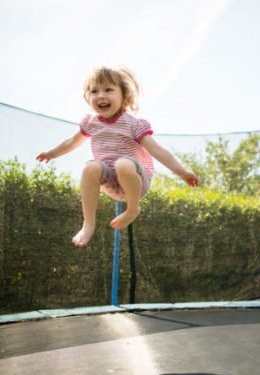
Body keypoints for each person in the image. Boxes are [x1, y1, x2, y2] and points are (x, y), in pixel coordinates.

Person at [37, 66, 198, 247]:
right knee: (90, 167)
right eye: (94, 91)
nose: (101, 95)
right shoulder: (91, 123)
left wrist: (182, 172)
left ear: (124, 96)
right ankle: (88, 224)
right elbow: (72, 142)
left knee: (123, 164)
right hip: (111, 182)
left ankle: (132, 208)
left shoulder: (133, 125)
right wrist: (51, 153)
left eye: (108, 90)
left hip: (137, 180)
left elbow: (158, 150)